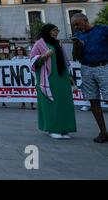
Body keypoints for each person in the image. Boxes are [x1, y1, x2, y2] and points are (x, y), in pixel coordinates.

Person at [30, 24, 77, 140]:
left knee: (64, 102)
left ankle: (64, 129)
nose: (56, 32)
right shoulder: (39, 44)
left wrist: (69, 76)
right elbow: (32, 61)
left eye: (57, 30)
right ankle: (52, 129)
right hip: (47, 78)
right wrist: (44, 56)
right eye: (53, 30)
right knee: (51, 103)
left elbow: (65, 60)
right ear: (47, 31)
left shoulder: (59, 44)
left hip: (62, 77)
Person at [71, 13, 108, 143]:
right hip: (86, 68)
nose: (76, 27)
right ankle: (103, 132)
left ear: (85, 20)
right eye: (74, 25)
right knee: (93, 100)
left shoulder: (103, 29)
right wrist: (77, 46)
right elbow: (77, 56)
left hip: (103, 66)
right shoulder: (78, 37)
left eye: (77, 24)